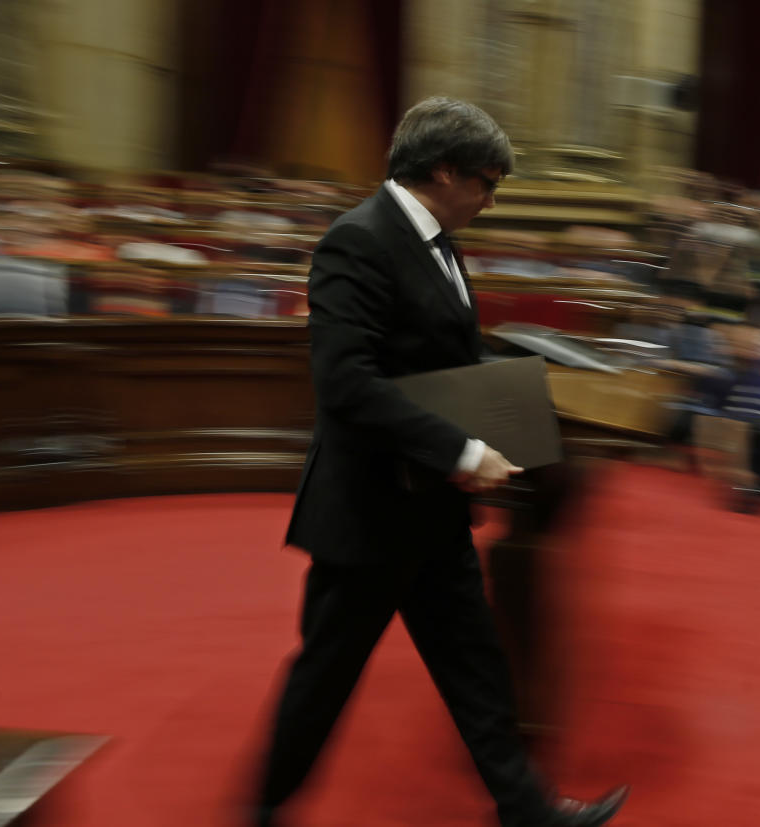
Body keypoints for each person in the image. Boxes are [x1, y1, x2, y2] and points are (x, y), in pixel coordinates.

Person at [251, 97, 629, 827]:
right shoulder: (355, 240)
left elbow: (450, 357)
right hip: (367, 513)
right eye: (487, 182)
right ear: (443, 169)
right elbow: (346, 384)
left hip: (430, 507)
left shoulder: (441, 241)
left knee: (476, 666)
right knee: (324, 676)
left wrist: (540, 385)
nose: (492, 199)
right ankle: (263, 808)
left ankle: (525, 808)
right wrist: (459, 447)